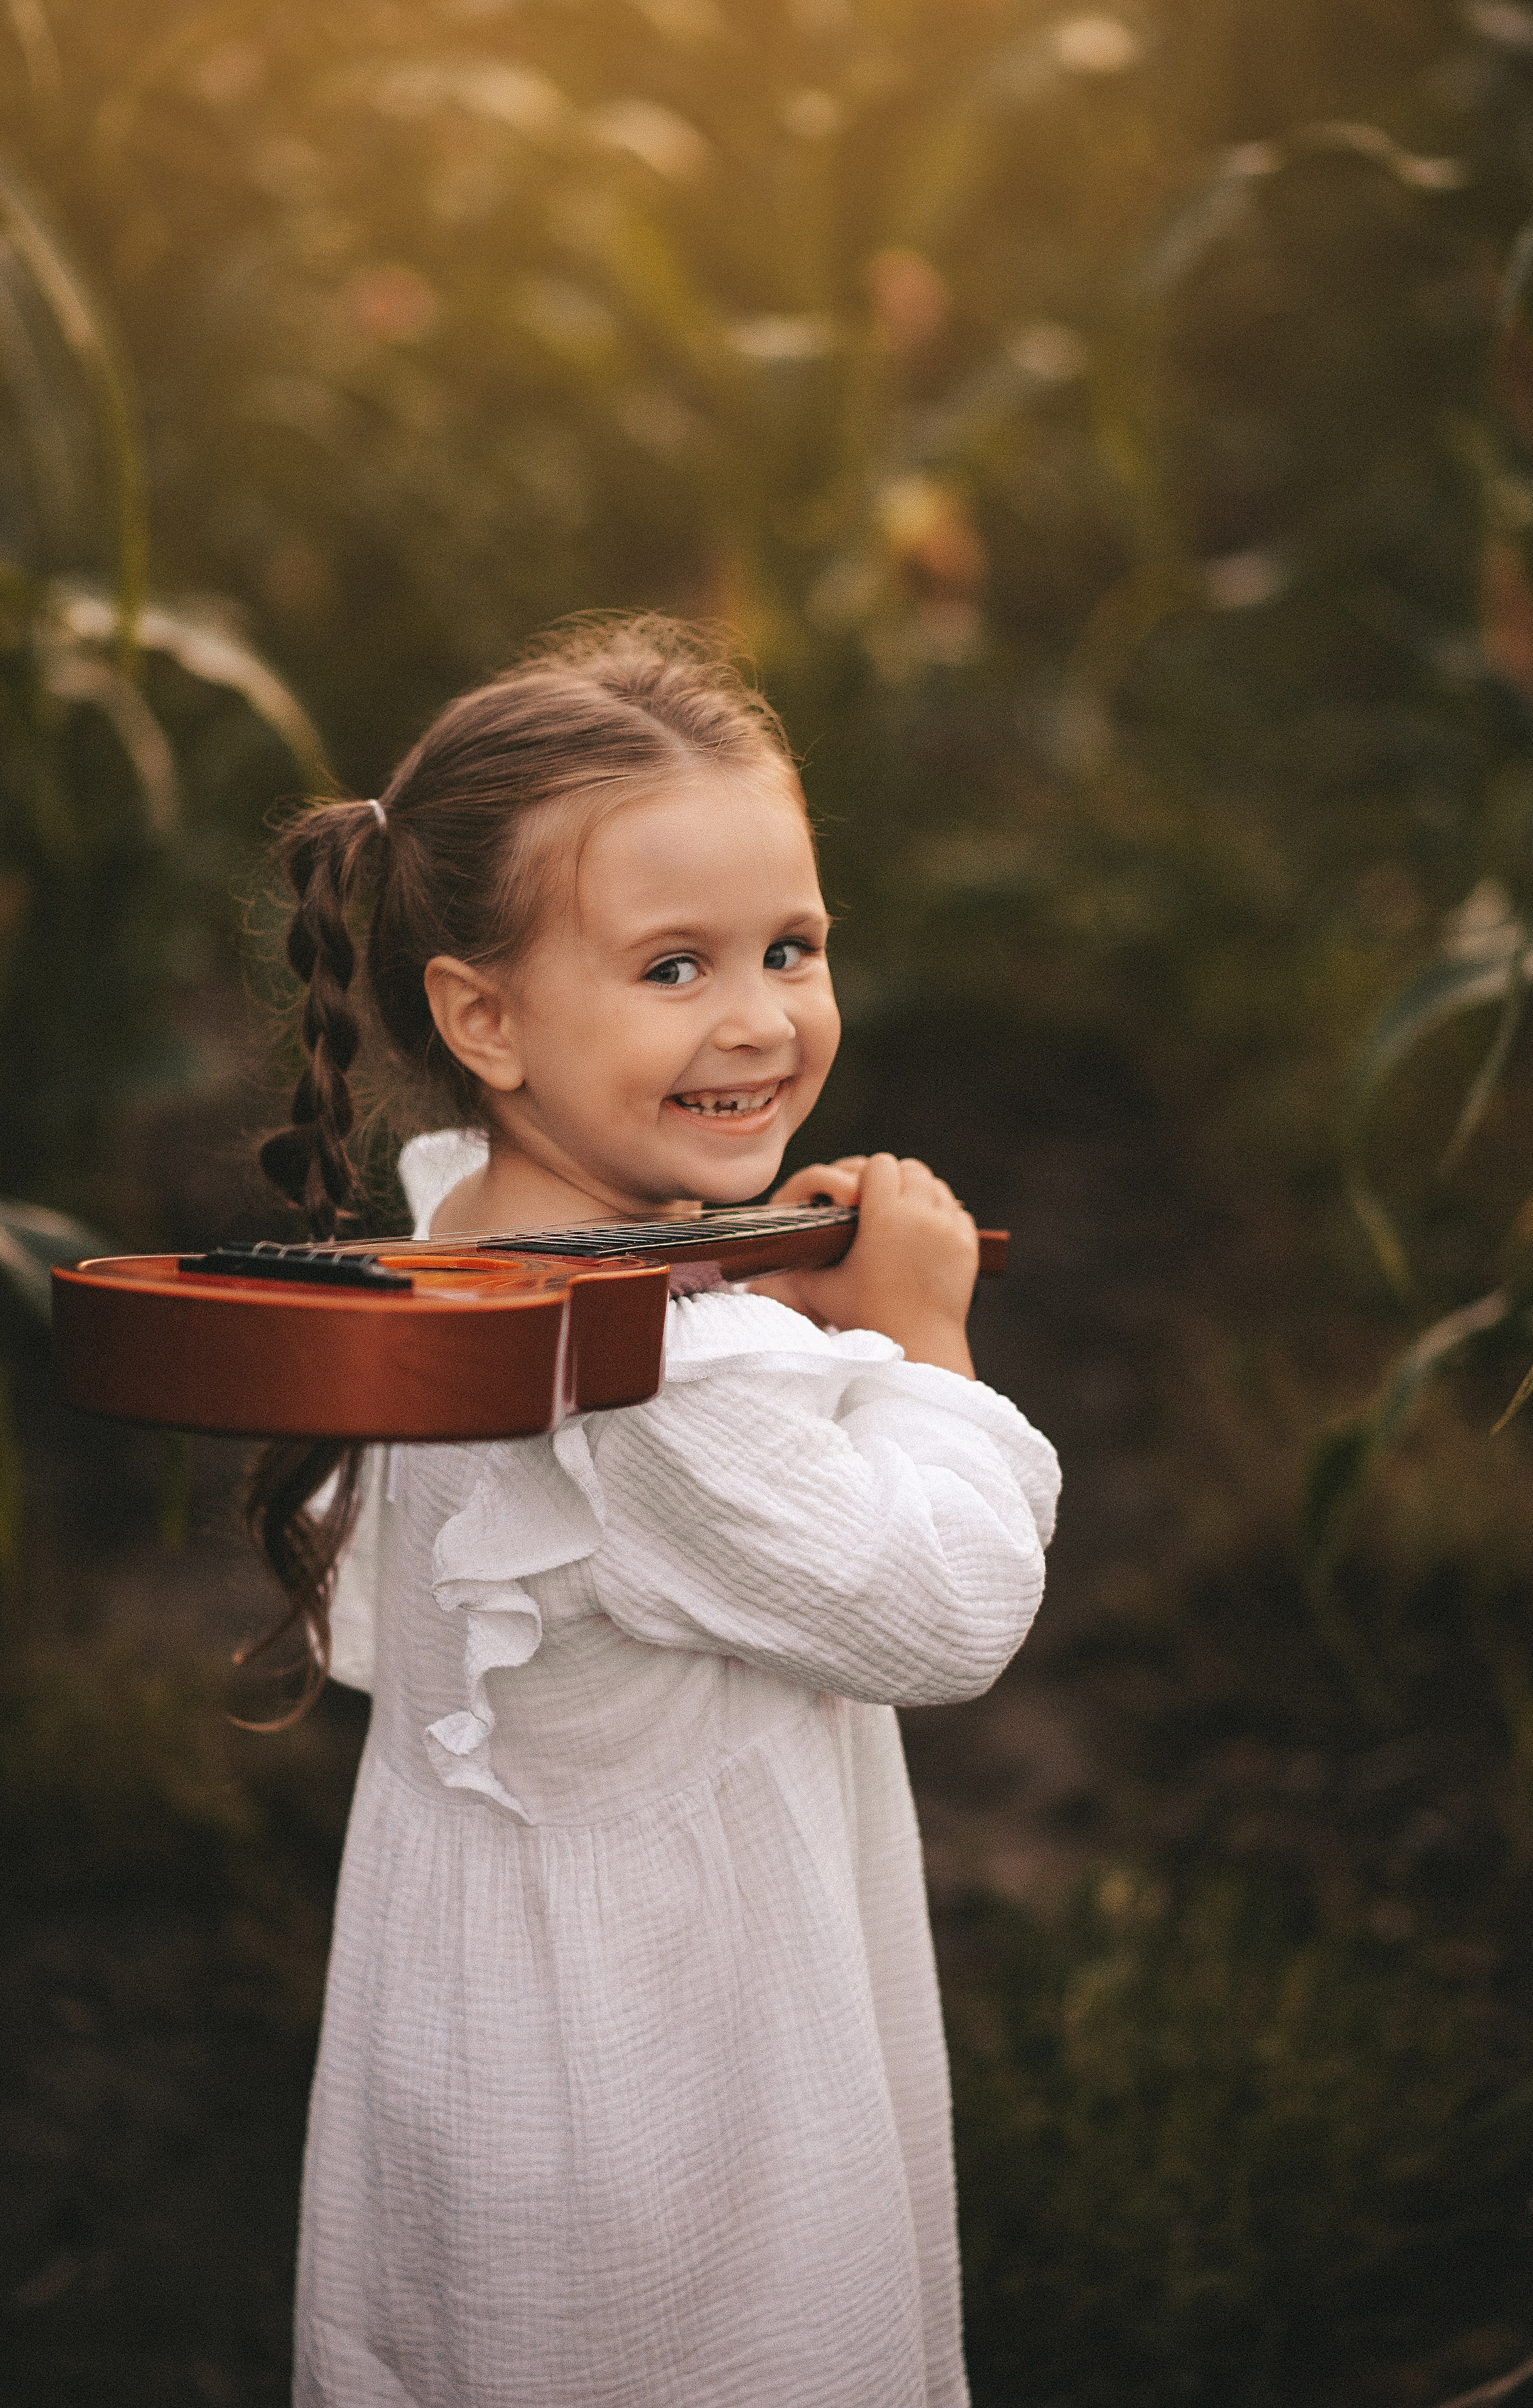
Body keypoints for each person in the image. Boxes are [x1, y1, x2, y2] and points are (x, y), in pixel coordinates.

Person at [252, 617, 1060, 2408]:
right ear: (485, 1013)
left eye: (793, 943)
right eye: (674, 966)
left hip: (480, 2049)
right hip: (679, 2107)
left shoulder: (461, 1230)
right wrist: (921, 1342)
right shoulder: (649, 1378)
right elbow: (944, 1609)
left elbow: (381, 1612)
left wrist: (781, 1317)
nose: (763, 1016)